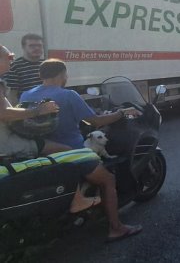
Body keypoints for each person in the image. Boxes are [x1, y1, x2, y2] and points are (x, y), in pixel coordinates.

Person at [19, 58, 142, 241]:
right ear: (62, 74)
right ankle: (117, 228)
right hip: (73, 153)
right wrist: (120, 113)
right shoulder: (68, 95)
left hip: (42, 152)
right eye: (66, 74)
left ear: (40, 75)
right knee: (108, 180)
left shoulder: (26, 95)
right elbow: (96, 121)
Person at [0, 45, 68, 159]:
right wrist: (39, 110)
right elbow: (4, 114)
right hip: (6, 143)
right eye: (9, 57)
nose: (12, 60)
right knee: (67, 151)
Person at [2, 33, 44, 103]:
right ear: (23, 47)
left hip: (48, 108)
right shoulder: (14, 66)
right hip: (27, 110)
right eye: (32, 46)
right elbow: (11, 95)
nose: (37, 48)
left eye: (39, 46)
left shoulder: (47, 64)